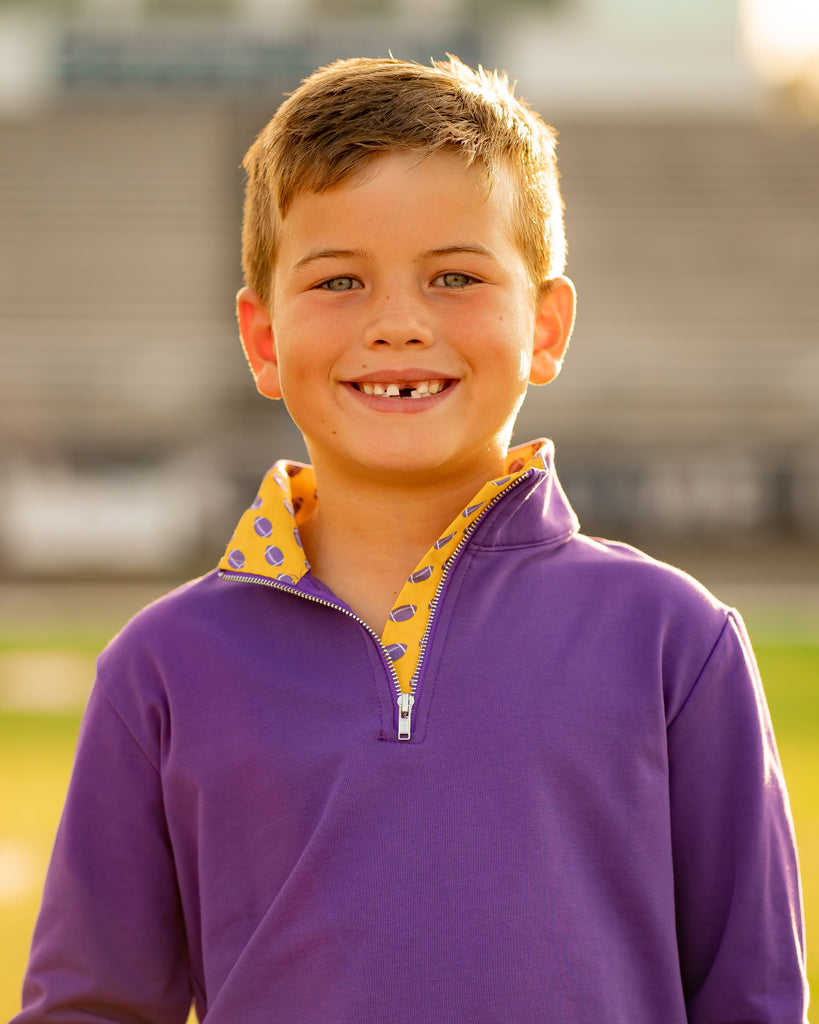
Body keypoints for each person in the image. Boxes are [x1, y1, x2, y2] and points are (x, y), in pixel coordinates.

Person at [14, 57, 808, 1023]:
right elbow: (94, 1006)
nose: (396, 324)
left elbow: (750, 999)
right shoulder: (163, 667)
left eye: (456, 276)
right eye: (339, 280)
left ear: (546, 326)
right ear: (262, 341)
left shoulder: (675, 643)